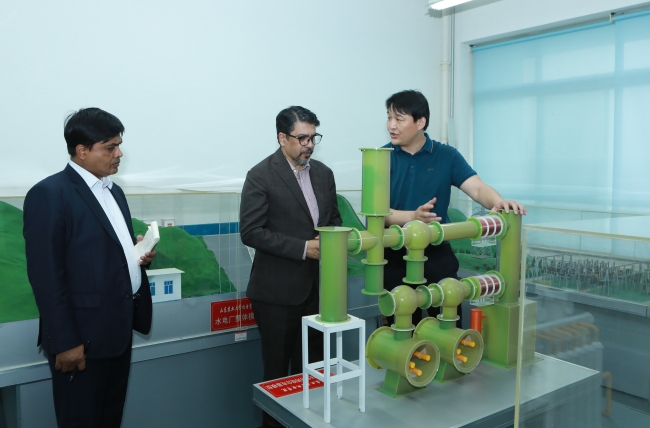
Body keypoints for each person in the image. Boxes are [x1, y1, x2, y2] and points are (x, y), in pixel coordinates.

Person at [23, 107, 156, 427]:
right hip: (80, 340)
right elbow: (46, 275)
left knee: (109, 419)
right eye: (110, 147)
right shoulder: (50, 194)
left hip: (117, 332)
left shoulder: (114, 192)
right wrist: (66, 342)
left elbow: (103, 252)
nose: (119, 154)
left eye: (119, 145)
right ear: (82, 151)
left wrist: (137, 255)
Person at [382, 90, 526, 327]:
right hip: (396, 257)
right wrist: (413, 217)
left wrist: (498, 202)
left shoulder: (446, 155)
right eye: (389, 118)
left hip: (437, 254)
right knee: (402, 332)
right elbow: (378, 214)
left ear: (421, 122)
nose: (391, 125)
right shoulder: (381, 157)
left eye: (399, 119)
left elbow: (477, 188)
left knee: (447, 327)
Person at [240, 106, 342, 428]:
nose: (309, 145)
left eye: (313, 137)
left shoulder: (323, 174)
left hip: (316, 291)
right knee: (277, 379)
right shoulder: (261, 174)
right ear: (282, 138)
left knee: (312, 372)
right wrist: (303, 248)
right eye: (302, 138)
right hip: (275, 295)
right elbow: (251, 232)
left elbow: (334, 220)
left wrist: (329, 239)